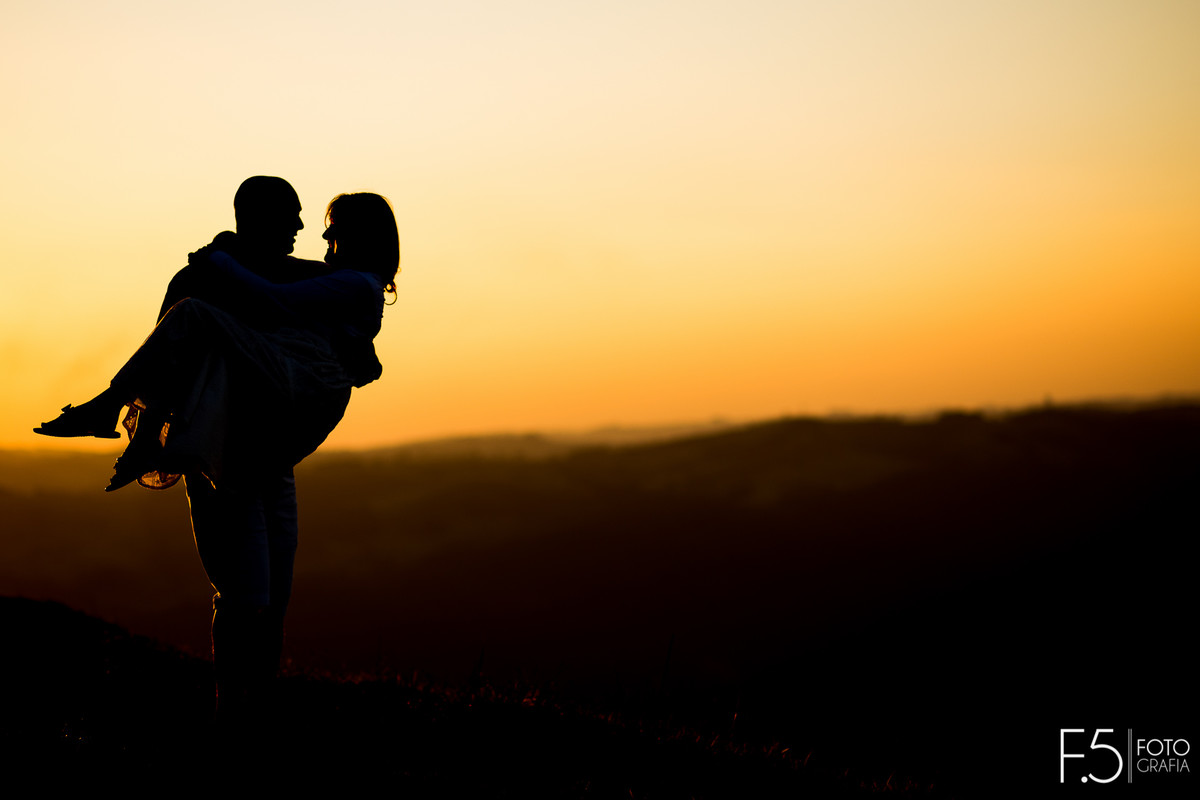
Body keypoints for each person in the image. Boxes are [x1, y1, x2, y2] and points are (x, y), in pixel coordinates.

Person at [34, 183, 400, 728]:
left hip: (272, 446)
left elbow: (294, 301)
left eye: (325, 225)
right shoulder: (216, 276)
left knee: (271, 597)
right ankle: (234, 716)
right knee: (247, 595)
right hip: (229, 451)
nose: (311, 232)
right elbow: (182, 347)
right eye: (295, 218)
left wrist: (222, 259)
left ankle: (256, 715)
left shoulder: (323, 278)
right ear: (259, 219)